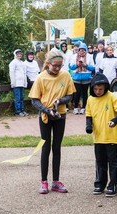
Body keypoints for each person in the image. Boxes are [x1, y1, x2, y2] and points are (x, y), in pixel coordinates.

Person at [28, 49, 76, 194]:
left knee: (57, 147)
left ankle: (56, 181)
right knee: (46, 147)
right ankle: (44, 181)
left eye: (60, 66)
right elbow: (34, 100)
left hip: (60, 115)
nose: (57, 68)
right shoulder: (41, 78)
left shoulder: (66, 75)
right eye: (55, 65)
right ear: (48, 63)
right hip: (45, 116)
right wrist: (46, 110)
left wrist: (60, 101)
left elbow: (70, 96)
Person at [85, 73, 117, 197]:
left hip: (112, 137)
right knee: (100, 162)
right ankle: (99, 184)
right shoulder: (90, 99)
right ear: (92, 88)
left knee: (114, 162)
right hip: (98, 138)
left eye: (101, 89)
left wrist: (114, 121)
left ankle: (113, 185)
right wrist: (89, 126)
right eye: (96, 89)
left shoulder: (111, 97)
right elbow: (89, 114)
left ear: (105, 88)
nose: (98, 91)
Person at [69, 43, 95, 115]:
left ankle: (84, 107)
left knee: (84, 93)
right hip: (76, 77)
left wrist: (85, 65)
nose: (82, 52)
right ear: (78, 50)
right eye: (80, 50)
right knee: (76, 93)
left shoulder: (89, 56)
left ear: (86, 50)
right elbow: (71, 67)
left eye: (83, 50)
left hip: (86, 77)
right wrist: (77, 65)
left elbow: (93, 68)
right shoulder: (74, 56)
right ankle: (76, 107)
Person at [9, 49, 29, 117]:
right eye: (18, 54)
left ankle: (22, 110)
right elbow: (11, 73)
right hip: (16, 83)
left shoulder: (22, 63)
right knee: (17, 98)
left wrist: (25, 82)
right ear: (15, 54)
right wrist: (13, 82)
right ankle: (17, 111)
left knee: (22, 97)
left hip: (21, 83)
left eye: (20, 54)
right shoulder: (13, 62)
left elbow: (24, 73)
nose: (19, 55)